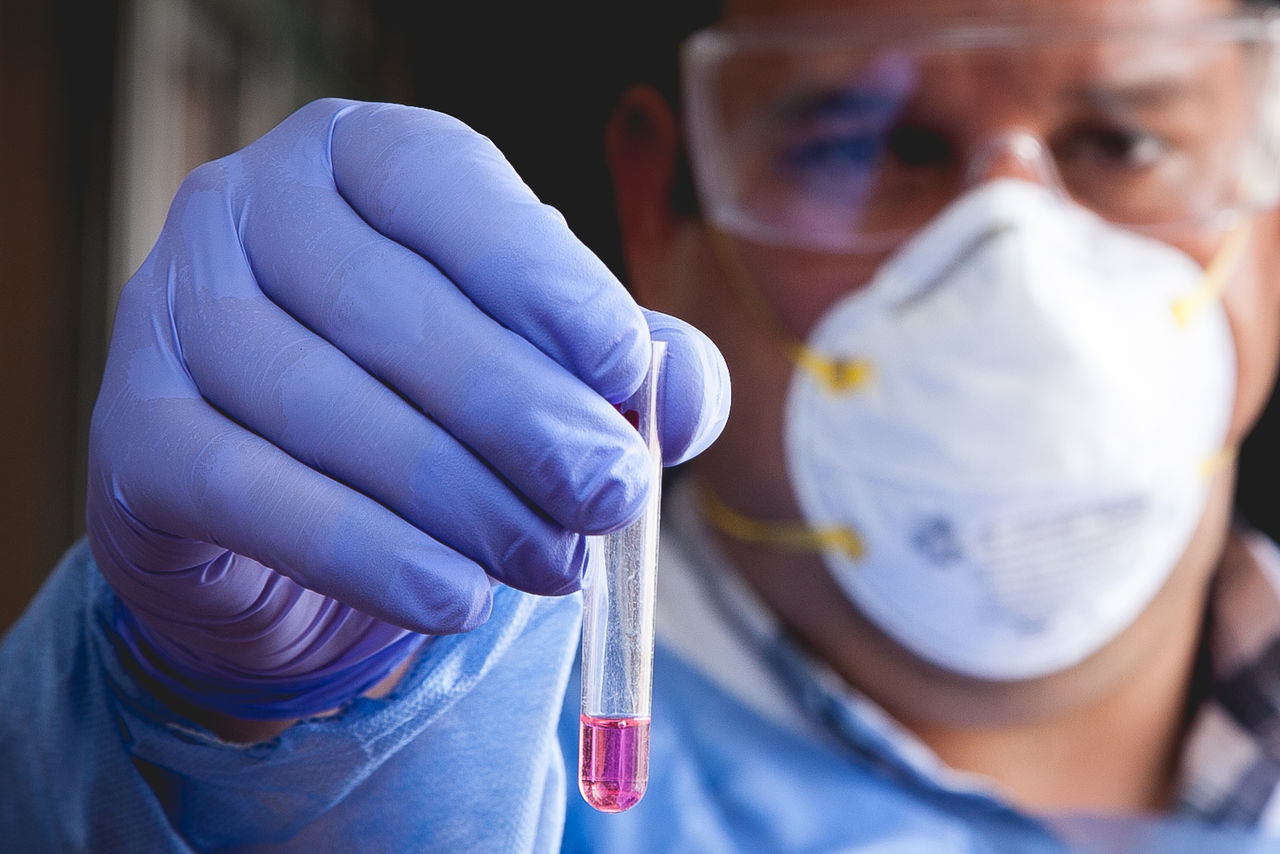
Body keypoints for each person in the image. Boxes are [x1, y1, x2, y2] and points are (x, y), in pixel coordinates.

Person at [6, 0, 1280, 850]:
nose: (1018, 269)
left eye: (1119, 138)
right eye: (871, 141)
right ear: (656, 208)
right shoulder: (440, 759)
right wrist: (224, 739)